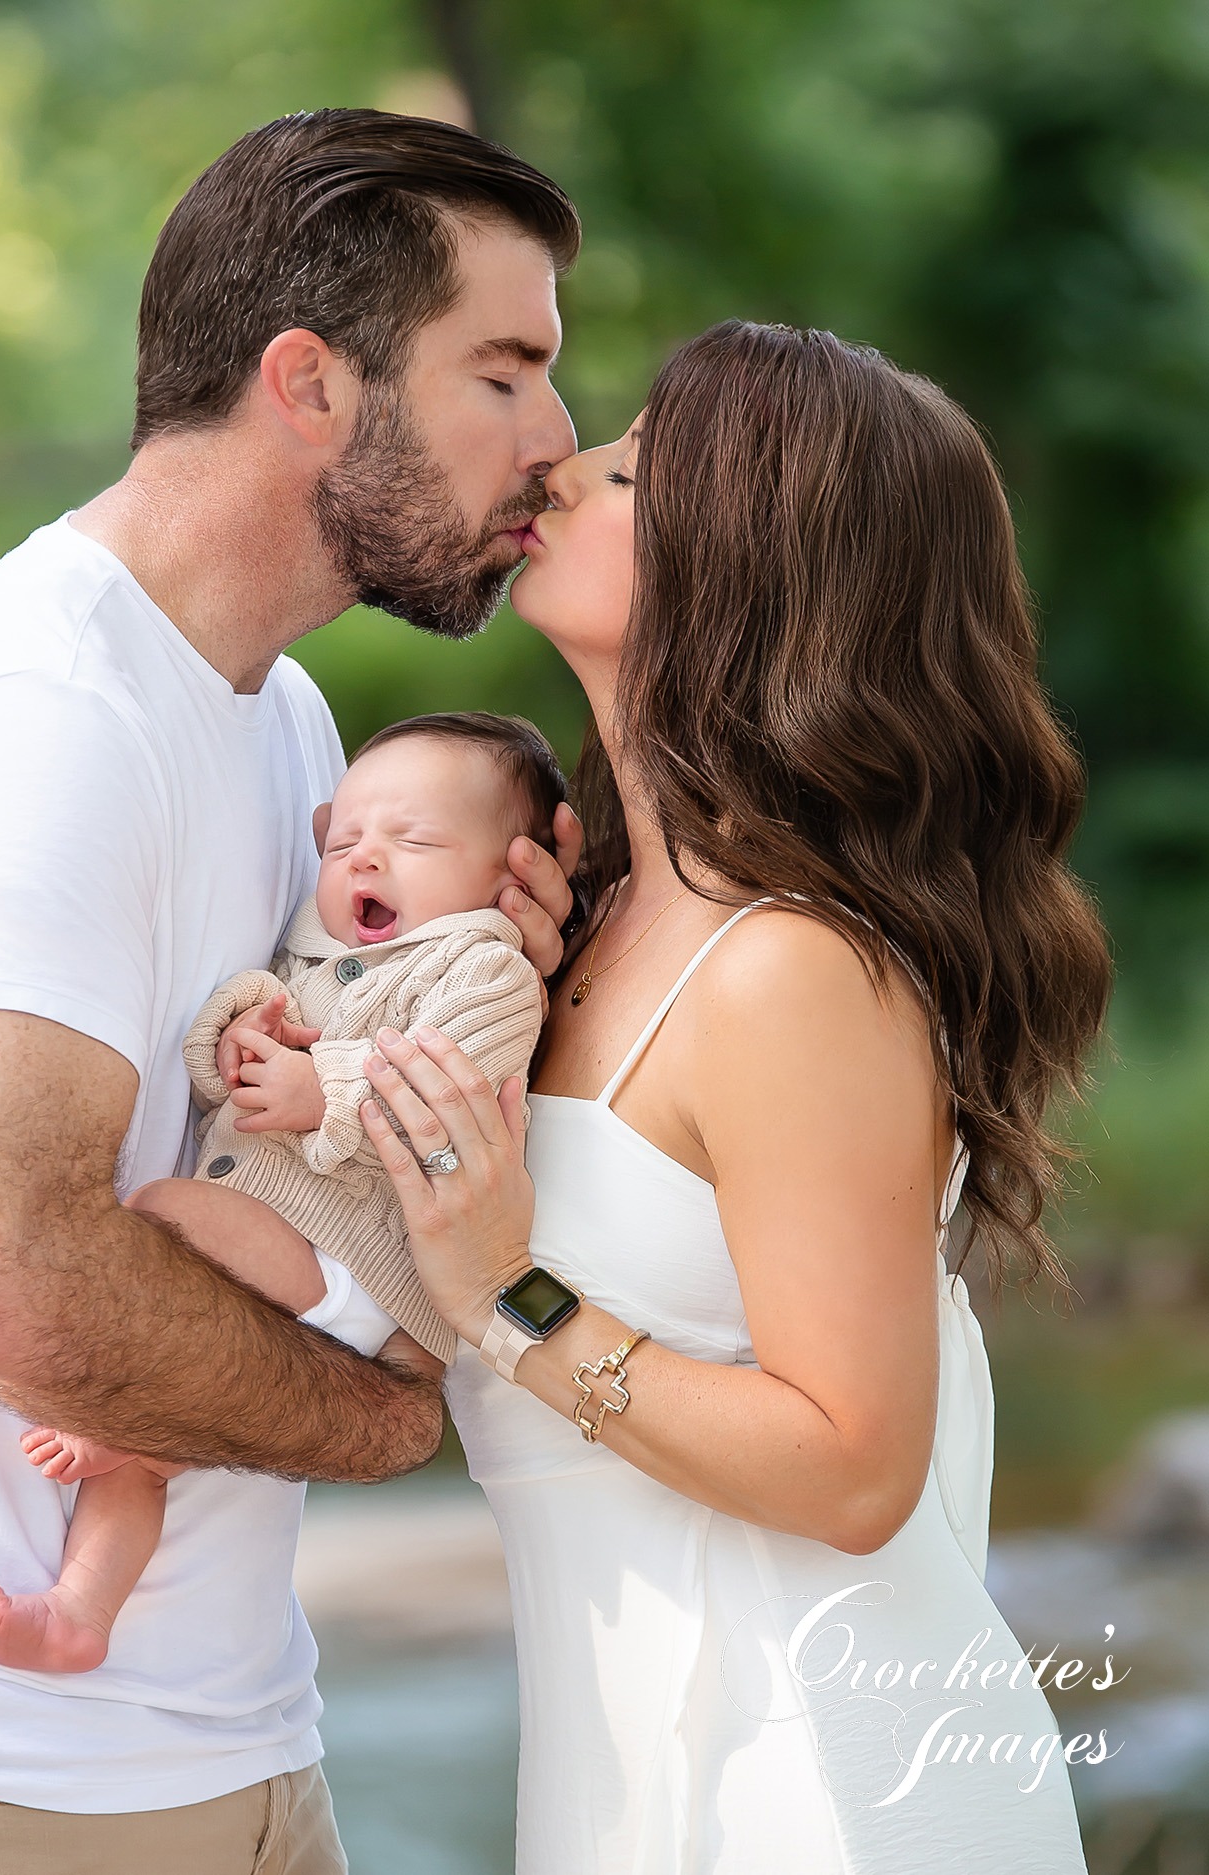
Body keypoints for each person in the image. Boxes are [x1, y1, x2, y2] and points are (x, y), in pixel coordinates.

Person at [0, 111, 579, 1872]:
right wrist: (387, 1410)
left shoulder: (289, 724)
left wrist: (485, 977)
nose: (555, 445)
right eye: (505, 374)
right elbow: (6, 1285)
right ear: (309, 384)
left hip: (237, 1750)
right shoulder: (39, 726)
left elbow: (310, 1144)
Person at [354, 321, 1112, 1872]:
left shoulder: (790, 975)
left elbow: (852, 1462)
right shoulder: (583, 923)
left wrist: (515, 1293)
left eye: (632, 469)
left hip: (810, 1787)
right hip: (628, 1770)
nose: (561, 463)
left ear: (749, 566)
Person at [0, 712, 560, 1675]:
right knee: (151, 1453)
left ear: (507, 876)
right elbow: (237, 1036)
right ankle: (79, 1610)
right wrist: (233, 1038)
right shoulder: (315, 951)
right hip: (287, 1257)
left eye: (414, 841)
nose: (368, 861)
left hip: (358, 1269)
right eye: (348, 840)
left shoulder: (482, 969)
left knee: (156, 1219)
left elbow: (455, 1094)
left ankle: (110, 1414)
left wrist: (326, 1088)